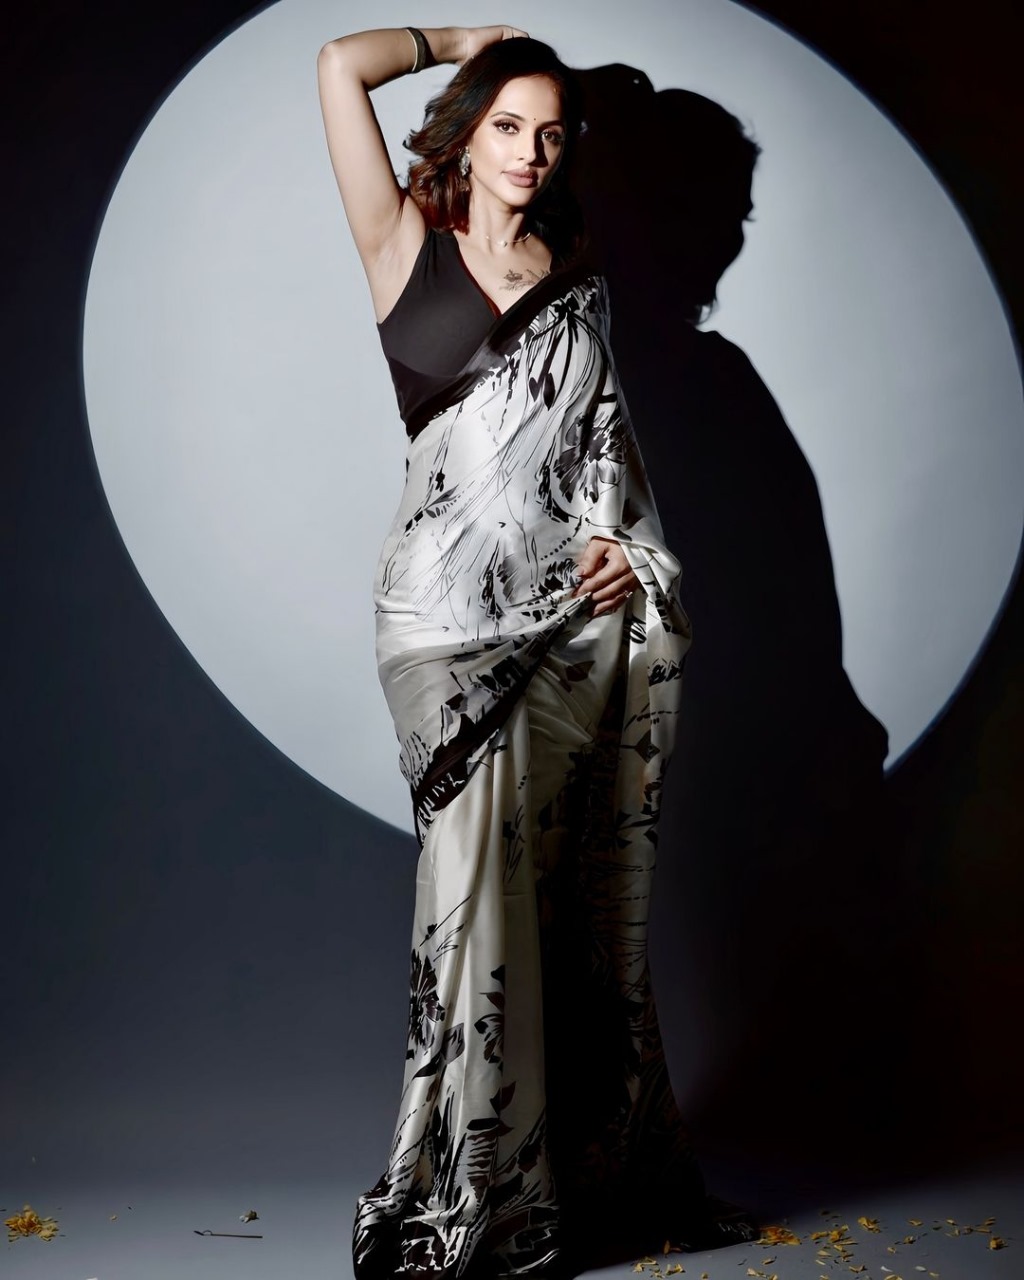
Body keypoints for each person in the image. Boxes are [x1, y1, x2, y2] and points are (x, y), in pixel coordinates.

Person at [316, 26, 755, 1279]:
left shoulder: (577, 280)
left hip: (565, 624)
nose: (528, 151)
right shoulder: (403, 244)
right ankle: (461, 1188)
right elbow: (339, 65)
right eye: (506, 125)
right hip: (441, 624)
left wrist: (624, 548)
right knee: (469, 902)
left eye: (550, 133)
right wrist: (470, 41)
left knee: (554, 896)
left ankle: (563, 1177)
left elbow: (603, 460)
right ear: (466, 135)